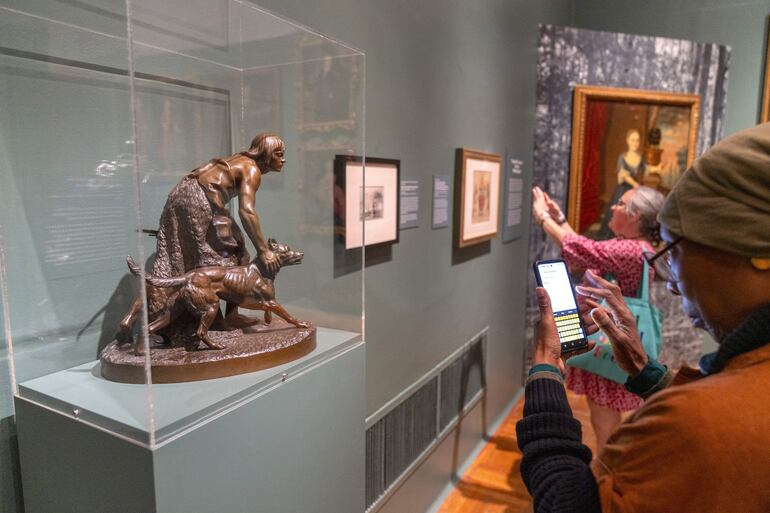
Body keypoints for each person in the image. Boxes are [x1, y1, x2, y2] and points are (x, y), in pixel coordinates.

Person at [518, 122, 770, 513]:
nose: (672, 283)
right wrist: (646, 371)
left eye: (677, 251)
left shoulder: (697, 424)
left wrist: (545, 365)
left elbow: (567, 505)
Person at [531, 184, 664, 452]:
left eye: (620, 203)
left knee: (604, 418)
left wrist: (543, 218)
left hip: (609, 346)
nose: (613, 207)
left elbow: (582, 249)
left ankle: (604, 472)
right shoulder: (634, 247)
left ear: (634, 215)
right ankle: (607, 465)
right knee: (604, 416)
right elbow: (587, 248)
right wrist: (560, 221)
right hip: (611, 345)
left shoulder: (631, 251)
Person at [150, 132, 285, 324]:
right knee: (226, 254)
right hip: (199, 198)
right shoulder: (252, 169)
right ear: (265, 153)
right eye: (278, 154)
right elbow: (247, 212)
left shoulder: (241, 161)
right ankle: (212, 318)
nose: (283, 159)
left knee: (203, 252)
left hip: (182, 192)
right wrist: (264, 250)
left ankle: (219, 315)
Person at [597, 129, 646, 239]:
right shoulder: (623, 157)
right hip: (623, 190)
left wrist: (657, 168)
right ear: (627, 141)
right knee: (617, 214)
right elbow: (623, 175)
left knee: (633, 217)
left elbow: (646, 168)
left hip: (633, 192)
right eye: (633, 140)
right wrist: (634, 183)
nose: (635, 143)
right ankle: (609, 239)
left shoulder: (639, 157)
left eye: (637, 140)